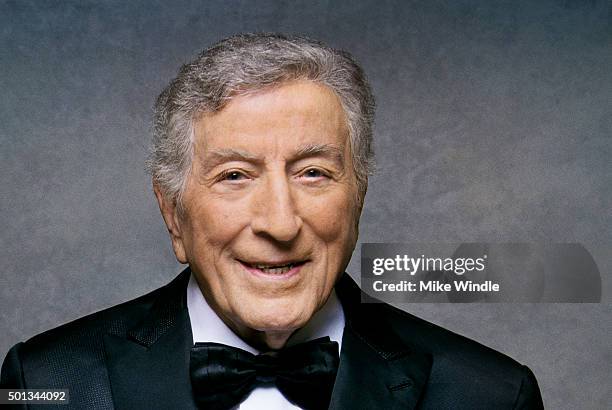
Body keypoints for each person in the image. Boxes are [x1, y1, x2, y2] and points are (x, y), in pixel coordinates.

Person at [0, 33, 544, 409]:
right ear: (172, 213)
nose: (281, 224)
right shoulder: (44, 384)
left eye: (313, 173)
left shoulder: (491, 395)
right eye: (235, 176)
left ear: (358, 197)